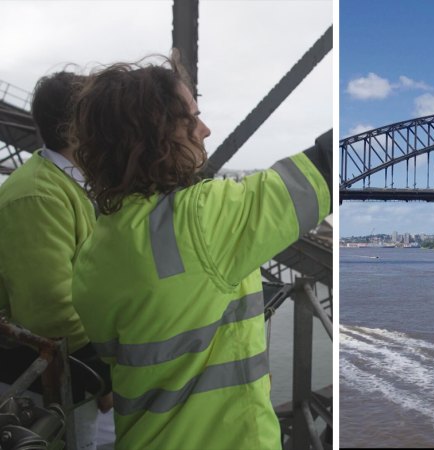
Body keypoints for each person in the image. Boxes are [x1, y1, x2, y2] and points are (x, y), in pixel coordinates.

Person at [69, 56, 331, 449]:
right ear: (152, 137)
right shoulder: (203, 220)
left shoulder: (96, 248)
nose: (205, 130)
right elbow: (326, 171)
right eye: (190, 119)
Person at [0, 71, 114, 449]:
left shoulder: (66, 183)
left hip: (71, 376)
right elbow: (51, 313)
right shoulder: (36, 199)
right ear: (74, 129)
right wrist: (102, 377)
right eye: (99, 115)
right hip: (54, 385)